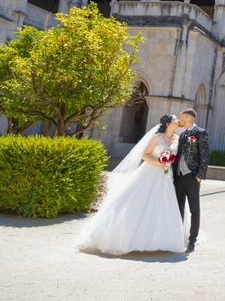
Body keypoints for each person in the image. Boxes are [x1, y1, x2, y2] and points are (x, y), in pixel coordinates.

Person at [77, 114, 185, 255]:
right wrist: (159, 162)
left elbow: (176, 156)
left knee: (163, 205)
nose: (178, 121)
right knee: (138, 202)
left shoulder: (177, 139)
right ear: (168, 123)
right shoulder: (157, 137)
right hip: (151, 172)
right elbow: (145, 155)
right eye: (176, 119)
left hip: (166, 175)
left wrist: (169, 163)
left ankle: (159, 240)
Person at [173, 108, 209, 253]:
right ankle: (178, 237)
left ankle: (192, 241)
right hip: (179, 176)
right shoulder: (182, 135)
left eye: (183, 117)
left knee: (194, 210)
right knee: (178, 208)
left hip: (192, 177)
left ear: (188, 117)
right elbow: (179, 155)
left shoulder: (200, 132)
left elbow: (205, 155)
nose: (181, 120)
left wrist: (200, 175)